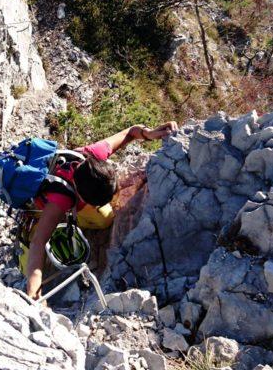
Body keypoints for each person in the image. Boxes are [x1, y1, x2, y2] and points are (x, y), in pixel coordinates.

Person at [24, 121, 178, 299]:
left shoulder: (93, 156)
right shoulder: (61, 201)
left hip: (68, 198)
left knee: (104, 218)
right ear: (81, 197)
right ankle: (37, 222)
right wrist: (35, 293)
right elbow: (38, 242)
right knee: (99, 220)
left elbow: (130, 132)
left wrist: (148, 133)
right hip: (45, 207)